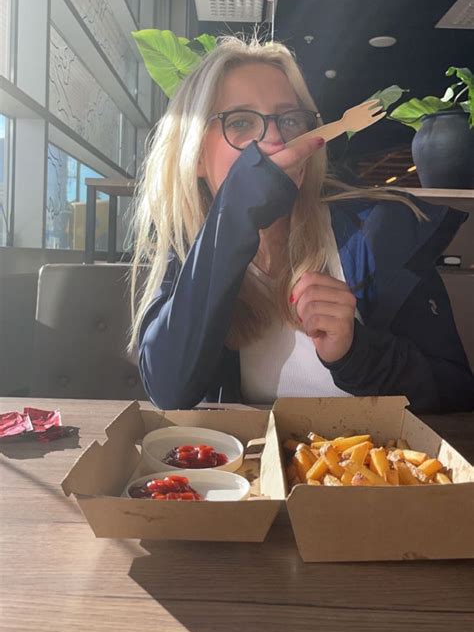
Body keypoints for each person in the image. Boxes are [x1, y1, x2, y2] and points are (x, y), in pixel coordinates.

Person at [131, 36, 474, 414]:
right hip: (247, 471)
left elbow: (455, 395)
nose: (275, 138)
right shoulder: (183, 250)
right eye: (241, 121)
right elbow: (168, 390)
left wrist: (356, 352)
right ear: (195, 155)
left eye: (290, 119)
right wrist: (231, 221)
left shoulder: (380, 232)